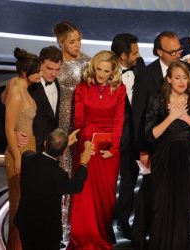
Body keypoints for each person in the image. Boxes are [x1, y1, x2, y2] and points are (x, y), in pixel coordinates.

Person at [131, 31, 190, 249]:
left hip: (181, 150)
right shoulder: (147, 75)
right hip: (154, 147)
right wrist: (143, 149)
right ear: (159, 52)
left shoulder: (187, 72)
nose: (178, 54)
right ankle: (141, 237)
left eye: (179, 49)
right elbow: (138, 114)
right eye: (173, 51)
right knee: (151, 196)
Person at [145, 61, 190, 250]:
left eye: (185, 77)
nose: (182, 81)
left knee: (184, 207)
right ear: (169, 79)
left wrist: (185, 117)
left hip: (188, 159)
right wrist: (171, 117)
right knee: (160, 206)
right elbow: (150, 135)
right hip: (163, 159)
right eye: (177, 77)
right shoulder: (157, 100)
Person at [67, 50, 125, 249]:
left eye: (106, 71)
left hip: (109, 149)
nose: (101, 74)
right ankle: (82, 238)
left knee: (105, 198)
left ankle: (101, 235)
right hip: (87, 147)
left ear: (113, 71)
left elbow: (119, 121)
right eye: (99, 69)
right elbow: (79, 120)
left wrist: (114, 147)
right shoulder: (83, 88)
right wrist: (85, 143)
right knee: (84, 195)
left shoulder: (119, 89)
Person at [14, 129, 93, 250]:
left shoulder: (27, 159)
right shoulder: (59, 175)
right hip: (46, 231)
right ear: (62, 153)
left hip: (25, 222)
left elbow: (34, 156)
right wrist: (83, 163)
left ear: (45, 143)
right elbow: (77, 186)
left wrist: (63, 145)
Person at [53, 20, 90, 241]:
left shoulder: (86, 62)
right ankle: (55, 224)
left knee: (72, 173)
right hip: (55, 124)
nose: (77, 45)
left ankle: (67, 229)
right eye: (72, 41)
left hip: (77, 125)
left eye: (79, 40)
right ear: (61, 42)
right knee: (57, 172)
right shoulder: (52, 61)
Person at [3, 48, 41, 250]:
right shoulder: (17, 92)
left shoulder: (15, 83)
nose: (41, 75)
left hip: (29, 148)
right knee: (18, 208)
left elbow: (2, 99)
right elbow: (8, 128)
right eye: (38, 72)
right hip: (19, 153)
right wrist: (17, 157)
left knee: (25, 206)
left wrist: (19, 127)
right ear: (26, 74)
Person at [111, 33, 146, 239]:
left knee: (129, 181)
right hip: (114, 136)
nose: (139, 55)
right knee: (107, 183)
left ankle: (123, 221)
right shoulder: (106, 70)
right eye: (134, 52)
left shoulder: (140, 65)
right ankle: (105, 223)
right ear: (123, 56)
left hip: (135, 137)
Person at [29, 46, 62, 152]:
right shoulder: (30, 85)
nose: (53, 73)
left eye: (57, 69)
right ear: (40, 64)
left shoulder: (57, 83)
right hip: (32, 146)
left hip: (51, 148)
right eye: (49, 68)